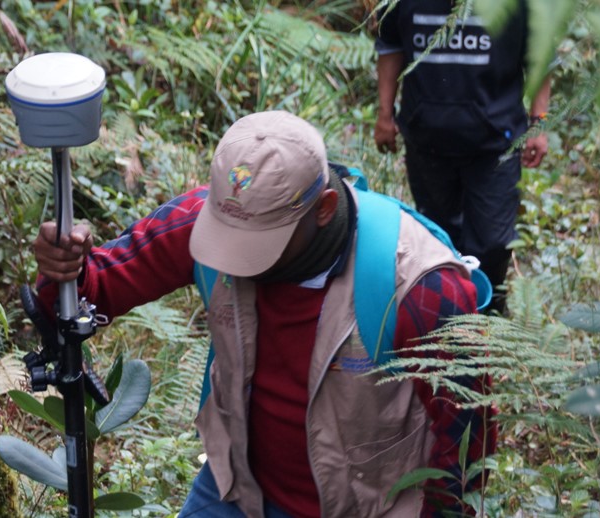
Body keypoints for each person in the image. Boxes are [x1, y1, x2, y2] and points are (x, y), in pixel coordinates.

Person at [34, 111, 495, 517]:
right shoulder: (227, 215)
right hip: (240, 491)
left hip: (372, 506)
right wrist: (64, 269)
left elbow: (465, 446)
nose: (232, 257)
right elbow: (94, 291)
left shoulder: (420, 288)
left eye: (257, 245)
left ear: (323, 209)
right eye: (226, 233)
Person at [373, 0, 551, 314]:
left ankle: (489, 316)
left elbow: (540, 52)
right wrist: (384, 114)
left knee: (493, 243)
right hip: (427, 140)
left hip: (497, 142)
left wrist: (540, 120)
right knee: (438, 238)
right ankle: (446, 321)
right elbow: (390, 46)